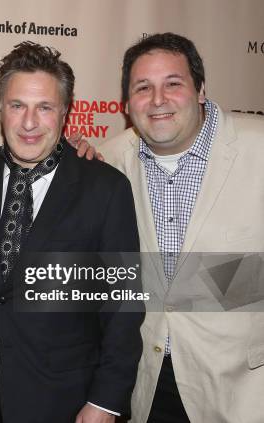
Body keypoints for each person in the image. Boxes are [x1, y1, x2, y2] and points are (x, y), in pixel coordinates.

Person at [0, 41, 144, 423]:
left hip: (65, 402)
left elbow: (124, 306)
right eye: (17, 105)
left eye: (44, 107)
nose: (28, 122)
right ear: (0, 108)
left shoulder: (104, 189)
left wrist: (106, 402)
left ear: (65, 113)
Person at [98, 32, 264, 422]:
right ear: (126, 103)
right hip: (148, 386)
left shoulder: (258, 149)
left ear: (201, 90)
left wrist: (203, 285)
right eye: (143, 88)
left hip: (243, 390)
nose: (158, 100)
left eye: (173, 84)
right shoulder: (106, 162)